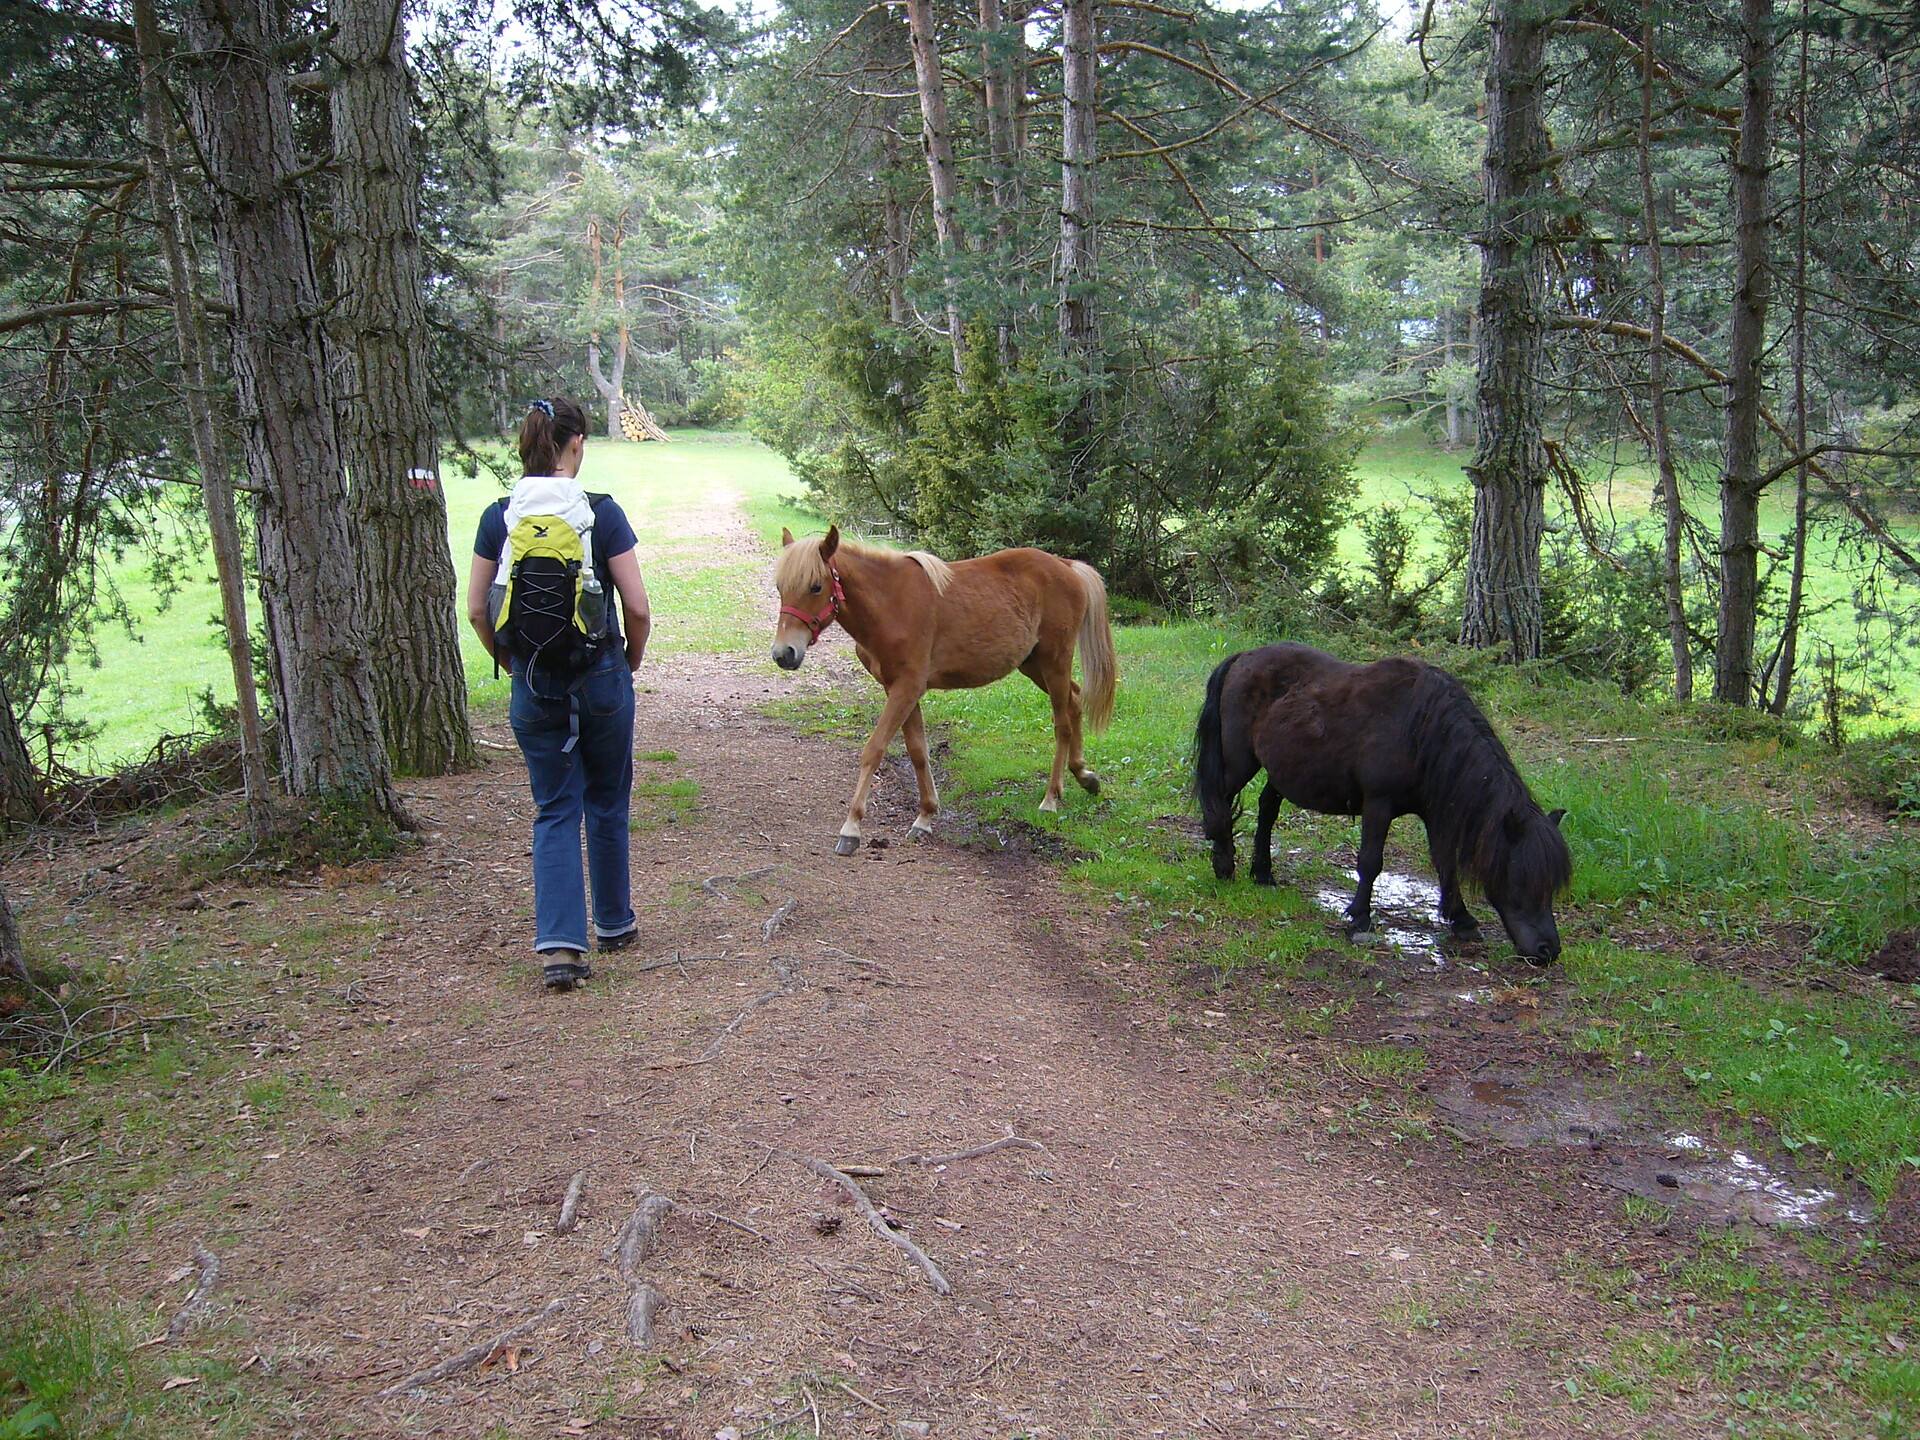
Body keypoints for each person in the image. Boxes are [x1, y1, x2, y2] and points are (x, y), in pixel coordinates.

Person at [466, 398, 652, 992]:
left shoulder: (499, 516)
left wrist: (513, 662)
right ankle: (616, 924)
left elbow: (476, 608)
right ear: (575, 445)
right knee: (607, 798)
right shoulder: (602, 513)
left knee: (554, 808)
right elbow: (639, 608)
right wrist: (625, 665)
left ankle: (562, 949)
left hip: (533, 682)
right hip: (602, 677)